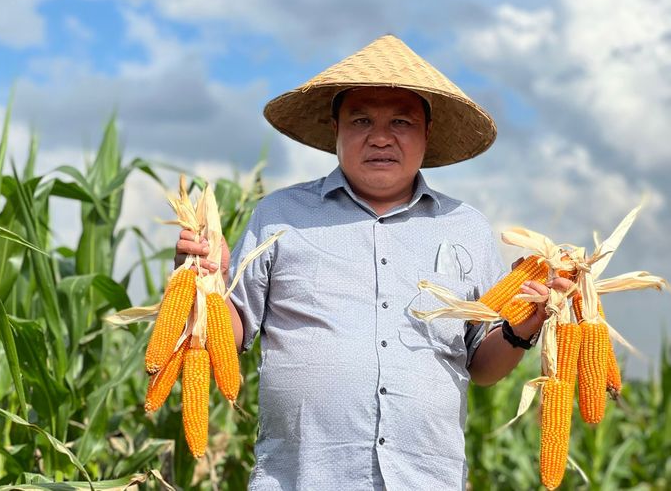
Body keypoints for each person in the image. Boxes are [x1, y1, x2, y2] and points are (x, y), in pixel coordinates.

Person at [176, 35, 569, 490]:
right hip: (300, 478)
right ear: (335, 130)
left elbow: (482, 366)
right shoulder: (278, 216)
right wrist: (203, 281)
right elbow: (233, 332)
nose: (380, 137)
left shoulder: (466, 227)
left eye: (400, 122)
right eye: (361, 120)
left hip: (427, 479)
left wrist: (526, 326)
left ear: (427, 133)